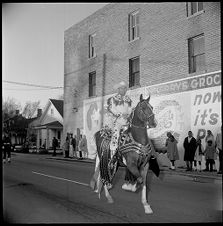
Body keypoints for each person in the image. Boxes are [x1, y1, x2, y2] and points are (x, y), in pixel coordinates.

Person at [106, 81, 132, 157]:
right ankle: (113, 151)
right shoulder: (113, 99)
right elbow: (112, 108)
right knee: (116, 133)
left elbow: (130, 108)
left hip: (127, 120)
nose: (124, 90)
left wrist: (128, 114)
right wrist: (120, 114)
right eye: (122, 89)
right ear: (118, 89)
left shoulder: (128, 99)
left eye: (125, 89)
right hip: (117, 120)